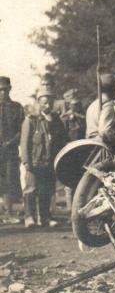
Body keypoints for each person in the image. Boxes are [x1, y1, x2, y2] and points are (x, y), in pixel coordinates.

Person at [20, 86, 67, 227]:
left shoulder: (56, 120)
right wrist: (26, 161)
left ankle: (45, 217)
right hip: (35, 161)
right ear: (38, 103)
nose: (48, 106)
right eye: (45, 103)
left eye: (50, 103)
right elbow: (24, 143)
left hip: (50, 161)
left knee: (46, 190)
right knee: (31, 189)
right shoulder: (31, 120)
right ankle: (29, 217)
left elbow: (62, 140)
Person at [0, 76, 24, 217]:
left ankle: (9, 213)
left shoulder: (17, 107)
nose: (2, 93)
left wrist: (11, 142)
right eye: (0, 90)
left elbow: (22, 129)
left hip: (10, 150)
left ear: (10, 89)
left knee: (9, 181)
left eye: (5, 89)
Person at [85, 73, 115, 141]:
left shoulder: (92, 105)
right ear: (113, 89)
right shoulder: (107, 105)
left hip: (91, 143)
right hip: (101, 144)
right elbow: (106, 132)